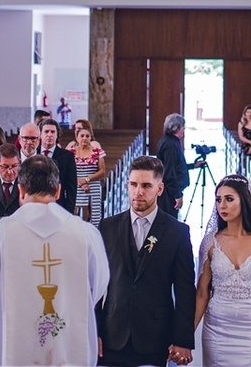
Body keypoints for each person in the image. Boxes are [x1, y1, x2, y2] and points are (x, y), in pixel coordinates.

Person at [0, 155, 110, 366]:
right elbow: (99, 286)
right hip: (69, 346)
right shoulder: (86, 234)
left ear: (21, 190)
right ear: (57, 190)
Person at [97, 155, 196, 367]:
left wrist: (182, 340)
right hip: (111, 334)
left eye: (146, 185)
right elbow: (94, 285)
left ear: (159, 189)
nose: (138, 191)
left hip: (156, 336)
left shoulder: (177, 232)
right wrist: (93, 331)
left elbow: (185, 290)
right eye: (133, 184)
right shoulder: (108, 227)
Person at [195, 174, 251, 367]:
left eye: (229, 199)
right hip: (216, 331)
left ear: (245, 200)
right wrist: (185, 336)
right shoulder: (211, 242)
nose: (222, 206)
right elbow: (202, 293)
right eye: (218, 200)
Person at [69, 123, 107, 224]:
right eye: (82, 136)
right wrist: (79, 182)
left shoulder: (97, 151)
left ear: (91, 138)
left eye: (87, 136)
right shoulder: (70, 152)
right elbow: (67, 171)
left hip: (92, 188)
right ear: (77, 138)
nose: (84, 138)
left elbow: (102, 171)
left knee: (94, 218)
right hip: (76, 187)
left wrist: (86, 180)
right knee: (75, 217)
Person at [40, 117, 79, 213]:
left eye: (52, 132)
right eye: (46, 132)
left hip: (58, 205)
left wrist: (69, 211)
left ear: (57, 135)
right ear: (40, 134)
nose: (49, 135)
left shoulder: (67, 156)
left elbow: (71, 186)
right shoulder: (34, 154)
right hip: (36, 204)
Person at [156, 112, 190, 216]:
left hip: (169, 189)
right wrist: (177, 195)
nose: (184, 129)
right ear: (177, 128)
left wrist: (193, 165)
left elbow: (175, 165)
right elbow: (169, 172)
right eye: (182, 127)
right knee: (169, 221)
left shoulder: (169, 142)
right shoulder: (170, 145)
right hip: (169, 193)